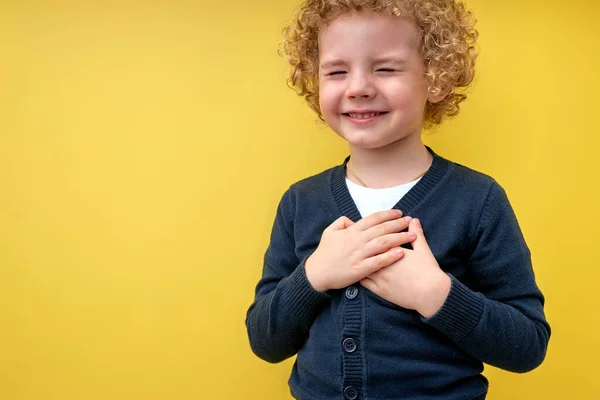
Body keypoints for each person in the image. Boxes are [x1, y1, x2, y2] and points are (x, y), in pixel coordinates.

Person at [245, 0, 551, 399]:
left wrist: (435, 294)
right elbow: (264, 341)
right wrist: (315, 275)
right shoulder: (301, 201)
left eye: (385, 68)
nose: (358, 88)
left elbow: (528, 345)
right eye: (337, 71)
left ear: (436, 78)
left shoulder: (478, 199)